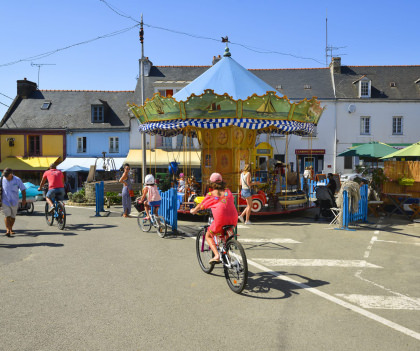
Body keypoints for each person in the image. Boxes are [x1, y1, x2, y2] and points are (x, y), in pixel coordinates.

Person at [190, 173, 238, 264]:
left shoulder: (211, 194)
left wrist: (194, 210)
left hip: (221, 219)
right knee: (225, 236)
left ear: (211, 183)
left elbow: (201, 205)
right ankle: (227, 254)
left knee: (208, 235)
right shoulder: (228, 191)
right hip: (233, 218)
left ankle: (217, 255)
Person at [1, 168, 26, 237]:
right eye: (5, 175)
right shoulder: (1, 179)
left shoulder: (17, 180)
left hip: (15, 201)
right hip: (5, 201)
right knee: (7, 215)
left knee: (13, 216)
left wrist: (24, 199)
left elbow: (23, 190)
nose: (5, 177)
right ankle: (7, 230)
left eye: (7, 175)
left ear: (11, 174)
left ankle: (10, 228)